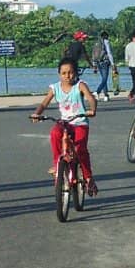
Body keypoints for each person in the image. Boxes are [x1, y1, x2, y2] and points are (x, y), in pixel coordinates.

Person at [31, 58, 98, 195]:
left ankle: (88, 177)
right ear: (59, 74)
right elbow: (44, 103)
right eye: (64, 73)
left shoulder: (80, 85)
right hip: (64, 122)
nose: (68, 76)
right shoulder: (55, 88)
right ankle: (57, 164)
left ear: (76, 73)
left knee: (80, 150)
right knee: (55, 133)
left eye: (71, 72)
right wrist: (37, 114)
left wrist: (92, 109)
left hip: (79, 122)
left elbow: (90, 98)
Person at [92, 30, 115, 99]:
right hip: (105, 62)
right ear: (106, 36)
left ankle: (106, 95)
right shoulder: (106, 42)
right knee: (105, 79)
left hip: (98, 63)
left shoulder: (96, 43)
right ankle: (97, 91)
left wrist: (94, 65)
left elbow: (93, 54)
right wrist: (113, 64)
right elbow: (109, 53)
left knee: (103, 79)